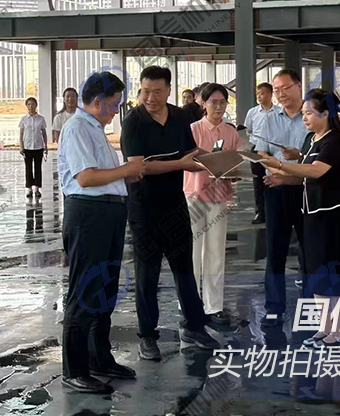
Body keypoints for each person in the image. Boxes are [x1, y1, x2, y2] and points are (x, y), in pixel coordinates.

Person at [121, 66, 220, 360]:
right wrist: (181, 164)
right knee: (147, 275)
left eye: (157, 92)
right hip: (144, 208)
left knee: (184, 270)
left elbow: (190, 153)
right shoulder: (133, 121)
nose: (150, 98)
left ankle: (194, 327)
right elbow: (139, 167)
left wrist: (221, 163)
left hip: (175, 205)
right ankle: (147, 336)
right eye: (145, 91)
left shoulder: (179, 117)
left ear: (169, 91)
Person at [58, 72, 145, 394]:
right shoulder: (77, 128)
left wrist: (125, 176)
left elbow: (104, 176)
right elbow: (86, 178)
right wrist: (126, 170)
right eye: (114, 104)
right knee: (85, 289)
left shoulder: (95, 129)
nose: (116, 111)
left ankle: (99, 359)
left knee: (104, 290)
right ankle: (74, 369)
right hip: (88, 214)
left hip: (108, 212)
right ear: (97, 102)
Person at [260, 89, 340, 351]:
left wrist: (279, 165)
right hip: (313, 214)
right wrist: (282, 178)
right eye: (302, 113)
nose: (303, 118)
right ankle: (325, 329)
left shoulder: (335, 141)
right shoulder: (311, 140)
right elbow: (305, 176)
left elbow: (316, 171)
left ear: (325, 113)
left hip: (334, 215)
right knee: (316, 271)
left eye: (308, 113)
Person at [254, 69, 311, 327]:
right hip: (276, 189)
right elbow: (261, 153)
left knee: (310, 249)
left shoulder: (311, 115)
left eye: (285, 88)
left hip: (307, 189)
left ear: (298, 86)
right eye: (276, 90)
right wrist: (277, 167)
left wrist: (298, 157)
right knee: (275, 251)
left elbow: (321, 151)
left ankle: (311, 305)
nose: (280, 94)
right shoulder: (269, 119)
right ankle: (274, 307)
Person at [183, 83, 241, 327]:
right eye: (213, 102)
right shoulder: (193, 129)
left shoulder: (230, 132)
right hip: (194, 194)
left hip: (219, 195)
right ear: (203, 104)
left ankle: (213, 305)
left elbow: (236, 162)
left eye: (222, 102)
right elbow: (185, 160)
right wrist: (209, 163)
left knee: (216, 251)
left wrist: (233, 172)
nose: (218, 107)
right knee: (193, 251)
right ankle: (189, 303)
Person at [244, 82, 273, 225]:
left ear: (270, 94)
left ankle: (273, 211)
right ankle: (260, 213)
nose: (259, 96)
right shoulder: (252, 112)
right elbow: (248, 129)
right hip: (256, 149)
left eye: (262, 93)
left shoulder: (278, 112)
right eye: (257, 94)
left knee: (273, 179)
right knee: (258, 181)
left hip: (272, 150)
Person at [19, 97, 48, 199]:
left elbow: (44, 133)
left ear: (36, 105)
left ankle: (37, 188)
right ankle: (29, 189)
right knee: (28, 169)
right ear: (26, 106)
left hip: (38, 147)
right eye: (29, 104)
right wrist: (21, 146)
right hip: (27, 147)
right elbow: (21, 134)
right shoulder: (24, 119)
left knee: (38, 168)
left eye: (33, 104)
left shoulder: (41, 119)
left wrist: (45, 146)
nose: (31, 106)